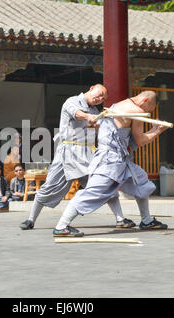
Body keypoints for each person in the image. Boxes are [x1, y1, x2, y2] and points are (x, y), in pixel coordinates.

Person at [53, 91, 169, 237]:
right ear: (145, 100)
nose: (146, 112)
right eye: (148, 109)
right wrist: (157, 131)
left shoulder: (119, 104)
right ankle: (61, 226)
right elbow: (140, 141)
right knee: (93, 192)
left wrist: (153, 130)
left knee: (140, 181)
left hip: (118, 159)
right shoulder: (136, 111)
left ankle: (147, 220)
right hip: (110, 160)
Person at [20, 84, 134, 230]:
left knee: (105, 183)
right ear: (92, 88)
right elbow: (78, 114)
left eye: (102, 99)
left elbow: (99, 126)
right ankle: (31, 219)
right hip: (67, 152)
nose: (99, 99)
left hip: (88, 154)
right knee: (50, 186)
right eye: (99, 94)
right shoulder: (72, 101)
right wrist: (89, 117)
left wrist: (108, 121)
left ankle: (120, 219)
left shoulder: (94, 111)